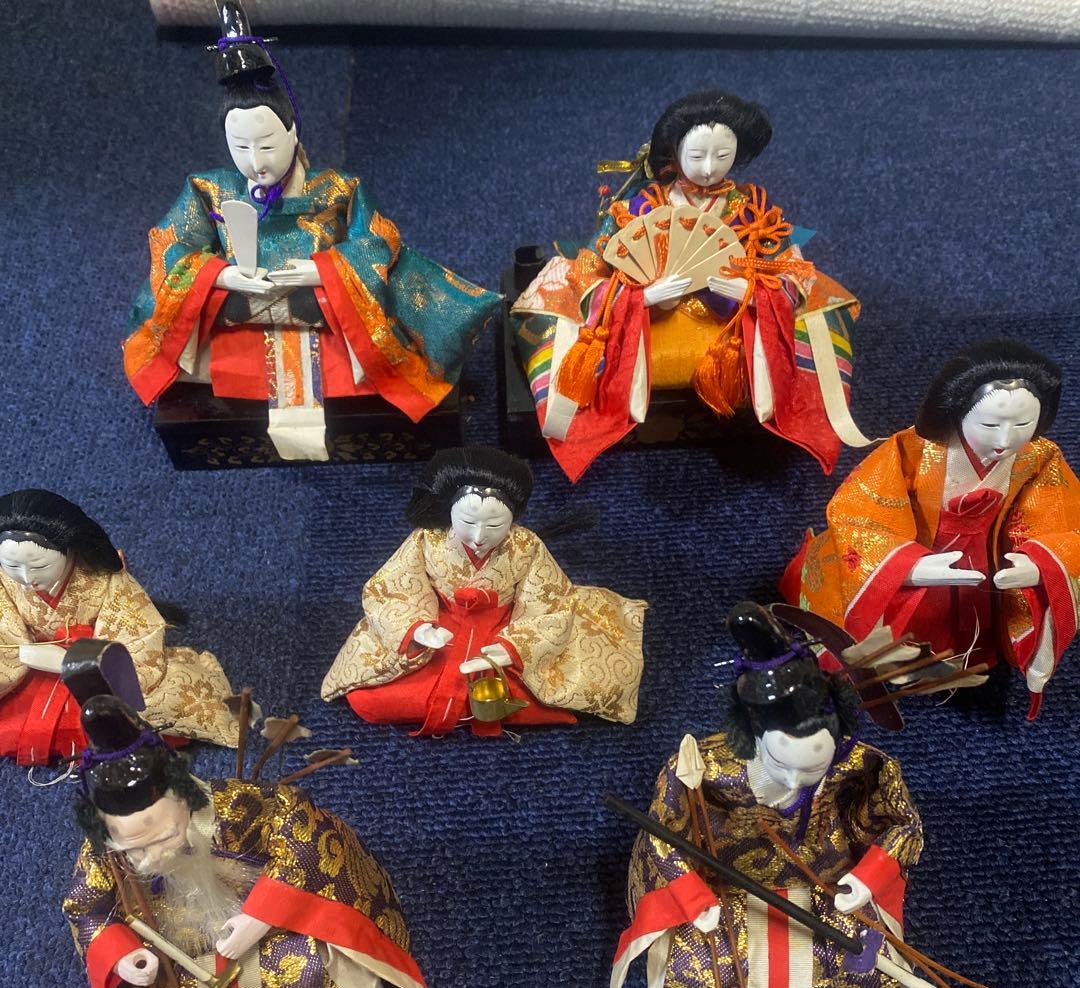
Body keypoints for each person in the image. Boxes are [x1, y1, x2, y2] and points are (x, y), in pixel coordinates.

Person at [123, 1, 498, 461]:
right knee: (173, 303)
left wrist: (323, 271)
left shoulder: (338, 188)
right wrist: (221, 276)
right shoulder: (207, 189)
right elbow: (170, 244)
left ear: (293, 133)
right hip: (238, 302)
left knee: (397, 294)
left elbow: (377, 239)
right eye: (240, 147)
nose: (255, 162)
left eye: (266, 145)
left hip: (320, 300)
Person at [611, 602, 923, 988]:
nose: (797, 781)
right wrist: (693, 897)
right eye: (783, 765)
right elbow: (662, 837)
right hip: (724, 887)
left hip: (829, 884)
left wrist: (866, 879)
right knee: (705, 960)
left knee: (860, 953)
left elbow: (904, 825)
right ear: (754, 735)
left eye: (813, 767)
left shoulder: (864, 766)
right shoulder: (704, 770)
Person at [63, 683, 432, 988]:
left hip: (270, 937)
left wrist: (260, 915)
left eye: (165, 837)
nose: (153, 857)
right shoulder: (105, 851)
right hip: (174, 963)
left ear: (185, 797)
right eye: (135, 849)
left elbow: (308, 838)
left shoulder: (239, 807)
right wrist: (122, 956)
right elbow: (86, 907)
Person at [510, 89, 865, 481]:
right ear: (675, 152)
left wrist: (752, 295)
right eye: (697, 156)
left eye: (723, 155)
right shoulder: (641, 207)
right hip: (650, 319)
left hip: (730, 322)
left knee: (824, 308)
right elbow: (591, 270)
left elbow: (788, 269)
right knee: (554, 302)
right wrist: (642, 297)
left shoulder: (751, 211)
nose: (709, 168)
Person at [782, 339, 1080, 718]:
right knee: (917, 617)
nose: (1006, 440)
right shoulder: (911, 451)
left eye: (1022, 425)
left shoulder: (1040, 457)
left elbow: (1060, 515)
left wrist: (1038, 562)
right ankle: (905, 661)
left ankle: (967, 655)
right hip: (922, 551)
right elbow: (858, 511)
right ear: (957, 411)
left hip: (987, 560)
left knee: (978, 609)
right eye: (990, 424)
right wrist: (908, 566)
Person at [322, 445, 647, 736]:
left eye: (493, 525)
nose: (479, 537)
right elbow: (391, 588)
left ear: (513, 519)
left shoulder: (526, 546)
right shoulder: (428, 539)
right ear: (450, 511)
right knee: (371, 700)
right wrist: (418, 629)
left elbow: (551, 604)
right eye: (467, 522)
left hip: (505, 628)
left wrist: (513, 648)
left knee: (556, 689)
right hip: (442, 629)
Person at [0, 490, 238, 763]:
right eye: (12, 565)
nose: (26, 577)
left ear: (70, 548)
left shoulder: (104, 579)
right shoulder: (4, 580)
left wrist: (70, 661)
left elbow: (136, 640)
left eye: (40, 565)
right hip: (31, 667)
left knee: (163, 701)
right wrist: (21, 652)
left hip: (95, 670)